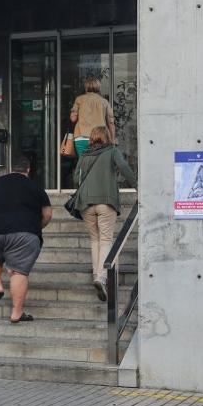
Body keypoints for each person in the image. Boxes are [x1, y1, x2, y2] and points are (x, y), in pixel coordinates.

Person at [0, 154, 52, 323]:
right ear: (28, 170)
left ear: (10, 169)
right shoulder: (34, 187)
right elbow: (47, 214)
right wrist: (36, 227)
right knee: (19, 271)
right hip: (23, 233)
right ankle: (17, 313)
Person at [72, 125, 136, 301]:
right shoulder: (112, 151)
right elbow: (123, 166)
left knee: (95, 240)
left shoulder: (85, 154)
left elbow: (76, 178)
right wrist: (137, 184)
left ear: (92, 137)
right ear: (107, 137)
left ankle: (96, 275)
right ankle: (101, 277)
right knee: (106, 239)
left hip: (86, 203)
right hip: (105, 201)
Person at [69, 75, 115, 158]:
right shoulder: (104, 102)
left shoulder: (79, 99)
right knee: (97, 165)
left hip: (81, 136)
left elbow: (73, 119)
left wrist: (74, 112)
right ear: (98, 87)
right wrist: (112, 139)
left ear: (86, 87)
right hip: (100, 138)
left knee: (83, 164)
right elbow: (111, 124)